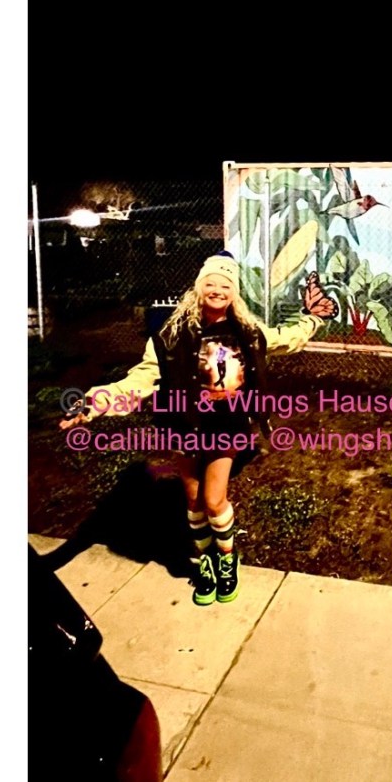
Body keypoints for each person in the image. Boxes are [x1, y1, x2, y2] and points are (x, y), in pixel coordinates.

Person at [60, 251, 335, 605]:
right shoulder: (170, 336)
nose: (217, 290)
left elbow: (287, 337)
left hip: (226, 424)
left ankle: (227, 560)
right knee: (193, 500)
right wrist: (94, 404)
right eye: (211, 283)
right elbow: (140, 380)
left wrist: (312, 319)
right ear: (198, 288)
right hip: (183, 424)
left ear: (234, 293)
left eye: (225, 285)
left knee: (213, 499)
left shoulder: (247, 333)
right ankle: (205, 561)